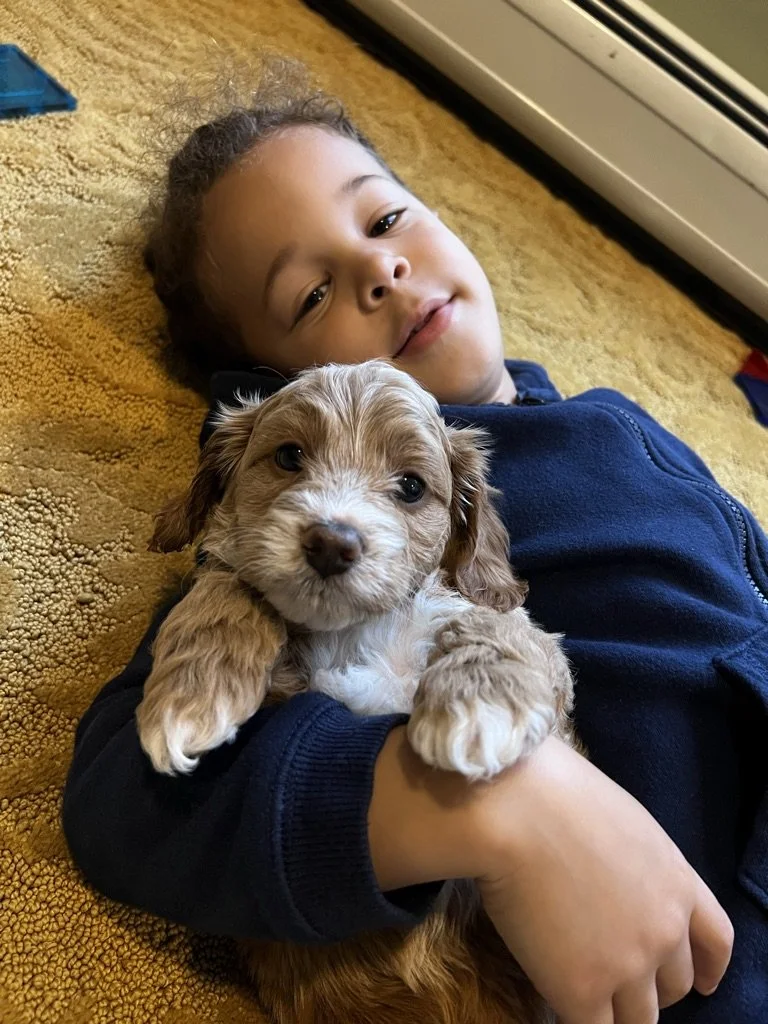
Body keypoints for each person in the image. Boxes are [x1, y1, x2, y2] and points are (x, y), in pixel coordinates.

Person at [62, 56, 768, 1024]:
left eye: (386, 218)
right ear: (267, 388)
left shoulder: (620, 424)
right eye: (311, 295)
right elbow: (126, 802)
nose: (378, 267)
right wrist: (498, 805)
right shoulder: (291, 532)